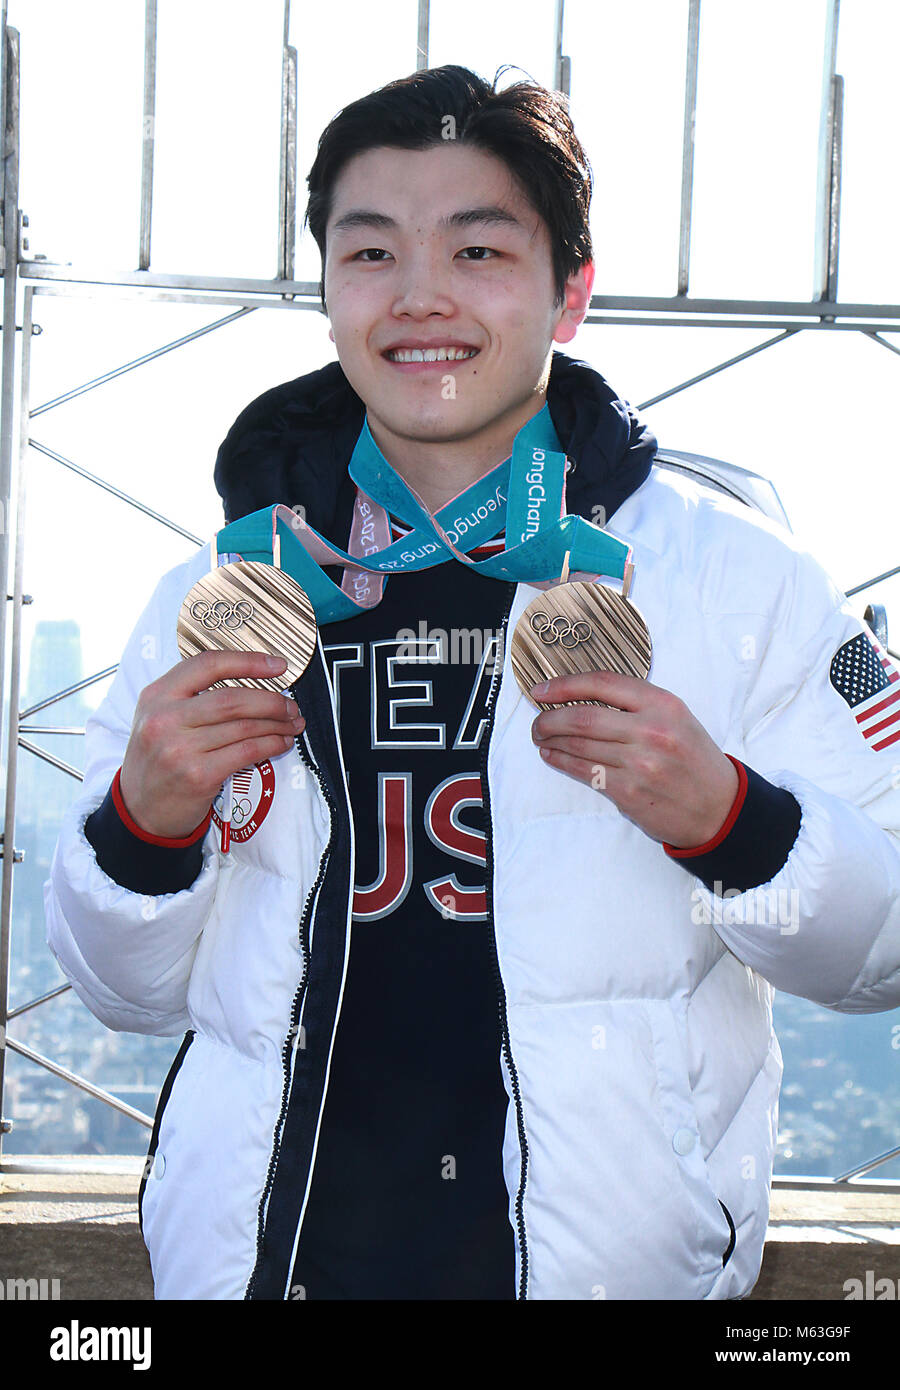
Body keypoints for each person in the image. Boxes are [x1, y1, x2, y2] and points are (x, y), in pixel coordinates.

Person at [44, 64, 900, 1301]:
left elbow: (882, 951)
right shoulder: (223, 584)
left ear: (571, 292)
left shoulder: (738, 582)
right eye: (372, 252)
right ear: (330, 292)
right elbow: (120, 992)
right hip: (264, 1269)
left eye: (481, 249)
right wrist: (141, 826)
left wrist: (733, 819)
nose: (421, 296)